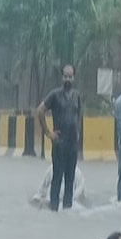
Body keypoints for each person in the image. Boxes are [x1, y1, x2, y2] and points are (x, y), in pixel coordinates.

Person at [37, 65, 81, 211]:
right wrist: (48, 133)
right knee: (57, 178)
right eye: (65, 76)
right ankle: (54, 209)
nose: (68, 79)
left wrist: (78, 133)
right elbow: (40, 110)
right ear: (62, 77)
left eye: (70, 76)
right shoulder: (55, 95)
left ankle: (67, 210)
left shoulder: (77, 95)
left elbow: (78, 115)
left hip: (72, 145)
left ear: (74, 77)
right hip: (59, 144)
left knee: (70, 180)